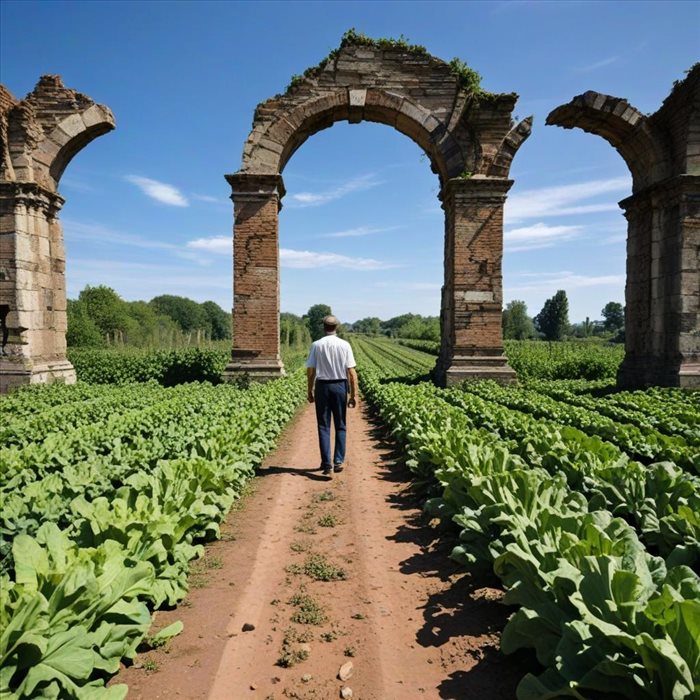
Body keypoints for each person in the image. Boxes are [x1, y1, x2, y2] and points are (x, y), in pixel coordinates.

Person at [306, 315, 358, 477]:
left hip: (322, 387)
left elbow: (311, 371)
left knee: (323, 425)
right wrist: (353, 394)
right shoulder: (345, 345)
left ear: (324, 327)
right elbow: (351, 373)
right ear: (337, 327)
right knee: (341, 424)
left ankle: (327, 464)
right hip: (340, 386)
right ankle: (338, 461)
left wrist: (310, 390)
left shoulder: (316, 345)